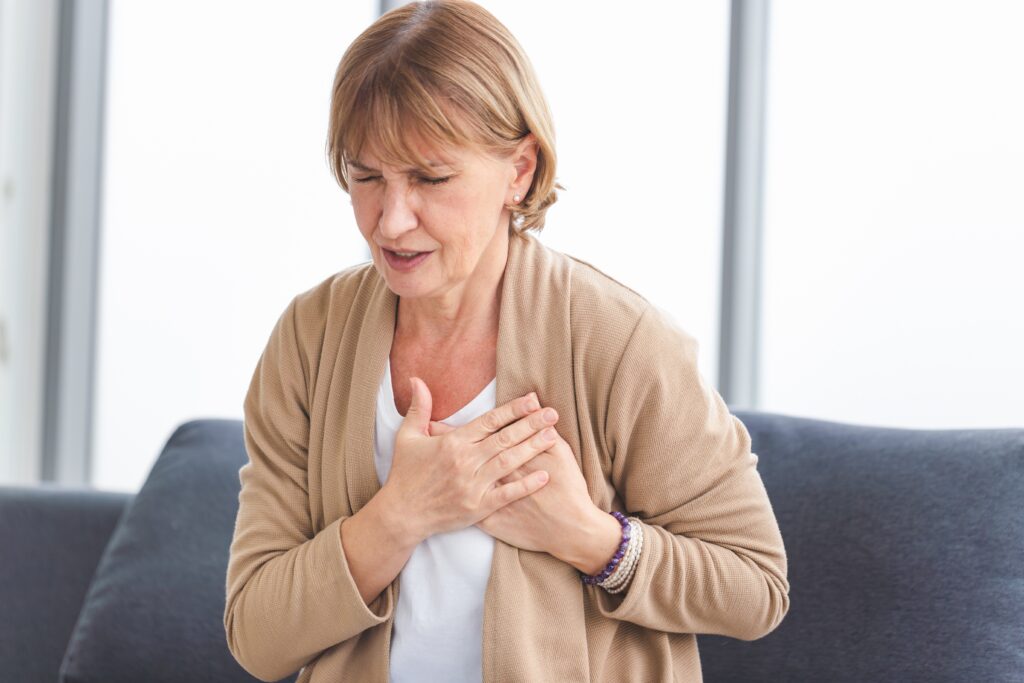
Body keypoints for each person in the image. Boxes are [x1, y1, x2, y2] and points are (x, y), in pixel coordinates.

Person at [223, 1, 789, 681]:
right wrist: (401, 514)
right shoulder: (309, 340)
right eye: (366, 174)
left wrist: (590, 538)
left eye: (430, 177)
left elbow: (757, 584)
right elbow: (255, 632)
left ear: (518, 169)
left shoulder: (619, 338)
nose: (391, 220)